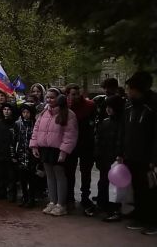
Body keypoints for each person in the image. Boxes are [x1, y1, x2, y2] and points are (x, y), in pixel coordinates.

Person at [118, 72, 157, 235]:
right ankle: (140, 217)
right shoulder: (128, 105)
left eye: (131, 89)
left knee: (150, 191)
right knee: (136, 189)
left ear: (140, 89)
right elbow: (124, 130)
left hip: (147, 158)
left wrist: (154, 158)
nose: (128, 92)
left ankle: (152, 222)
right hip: (130, 155)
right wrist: (121, 152)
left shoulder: (153, 106)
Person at [30, 88, 78, 217]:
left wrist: (64, 151)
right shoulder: (44, 113)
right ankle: (52, 201)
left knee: (59, 176)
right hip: (45, 148)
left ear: (59, 98)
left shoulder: (68, 114)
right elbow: (36, 129)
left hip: (58, 149)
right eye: (48, 97)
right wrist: (34, 145)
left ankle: (61, 204)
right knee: (49, 176)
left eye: (52, 97)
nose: (49, 100)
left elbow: (70, 135)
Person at [64, 83, 96, 213]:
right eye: (73, 94)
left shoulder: (90, 105)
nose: (76, 96)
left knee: (86, 171)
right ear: (68, 95)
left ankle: (85, 197)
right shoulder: (65, 106)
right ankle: (70, 197)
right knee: (69, 172)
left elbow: (93, 124)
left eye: (78, 93)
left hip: (86, 143)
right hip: (71, 143)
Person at [94, 95, 124, 222]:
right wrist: (98, 154)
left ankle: (115, 209)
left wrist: (119, 155)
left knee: (115, 186)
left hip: (115, 158)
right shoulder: (105, 122)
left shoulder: (122, 123)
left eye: (111, 107)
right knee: (103, 182)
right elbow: (99, 139)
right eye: (107, 107)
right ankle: (103, 204)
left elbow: (121, 141)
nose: (108, 109)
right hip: (104, 157)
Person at [0, 103, 18, 201]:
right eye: (4, 109)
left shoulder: (15, 123)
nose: (6, 111)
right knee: (0, 174)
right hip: (0, 152)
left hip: (11, 153)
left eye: (8, 109)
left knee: (11, 175)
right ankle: (0, 192)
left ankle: (11, 193)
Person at [14, 104, 38, 207]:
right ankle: (24, 197)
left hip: (31, 154)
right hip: (20, 153)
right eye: (23, 112)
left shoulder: (35, 124)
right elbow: (14, 139)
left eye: (27, 112)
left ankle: (31, 198)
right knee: (22, 178)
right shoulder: (18, 123)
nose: (25, 114)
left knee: (31, 178)